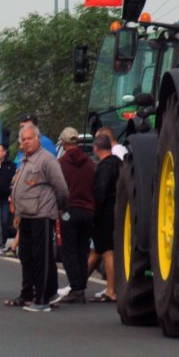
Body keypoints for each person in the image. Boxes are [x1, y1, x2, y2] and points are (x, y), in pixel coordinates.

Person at [6, 124, 69, 312]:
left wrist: (61, 208)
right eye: (23, 139)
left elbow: (62, 188)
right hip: (25, 214)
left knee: (41, 257)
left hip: (42, 214)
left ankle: (42, 298)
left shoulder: (47, 160)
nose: (26, 142)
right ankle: (27, 293)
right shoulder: (25, 160)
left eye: (29, 138)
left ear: (38, 139)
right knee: (25, 255)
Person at [57, 126, 96, 304]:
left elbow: (58, 189)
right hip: (88, 211)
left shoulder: (62, 164)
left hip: (69, 210)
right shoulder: (89, 162)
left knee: (69, 251)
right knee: (82, 251)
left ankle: (76, 287)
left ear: (64, 143)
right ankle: (81, 287)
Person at [87, 134, 121, 302]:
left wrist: (94, 211)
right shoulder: (119, 164)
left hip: (105, 213)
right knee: (97, 250)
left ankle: (111, 290)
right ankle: (77, 285)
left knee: (107, 251)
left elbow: (100, 192)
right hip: (117, 211)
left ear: (96, 148)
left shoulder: (105, 167)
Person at [0, 144, 17, 255]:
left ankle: (1, 244)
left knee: (4, 221)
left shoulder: (11, 165)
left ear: (4, 152)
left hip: (5, 199)